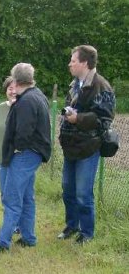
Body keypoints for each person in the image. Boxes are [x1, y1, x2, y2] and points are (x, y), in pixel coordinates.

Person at [0, 63, 51, 254]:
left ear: (15, 80)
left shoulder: (26, 101)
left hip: (25, 154)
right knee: (26, 197)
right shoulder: (37, 95)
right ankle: (29, 237)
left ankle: (3, 242)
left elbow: (23, 133)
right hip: (34, 153)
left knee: (12, 198)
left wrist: (15, 150)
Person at [58, 45, 115, 244]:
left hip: (88, 148)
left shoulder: (102, 86)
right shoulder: (74, 85)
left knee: (83, 193)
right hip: (70, 146)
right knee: (68, 189)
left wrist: (78, 119)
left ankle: (87, 233)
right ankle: (72, 225)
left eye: (73, 61)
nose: (70, 64)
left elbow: (104, 120)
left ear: (84, 63)